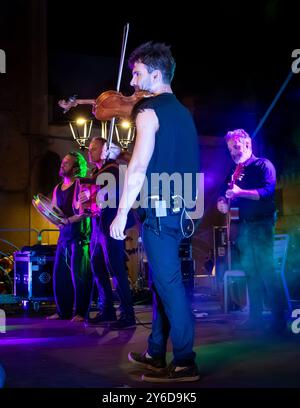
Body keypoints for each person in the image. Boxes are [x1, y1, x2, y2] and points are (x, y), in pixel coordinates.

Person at [110, 42, 200, 382]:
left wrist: (120, 214)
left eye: (137, 73)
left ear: (156, 73)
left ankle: (186, 361)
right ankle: (154, 352)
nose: (132, 81)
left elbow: (138, 169)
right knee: (162, 282)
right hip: (180, 212)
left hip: (160, 212)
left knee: (170, 284)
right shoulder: (182, 113)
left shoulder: (147, 113)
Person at [217, 129, 287, 333]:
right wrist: (223, 203)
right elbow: (224, 195)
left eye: (236, 147)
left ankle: (279, 321)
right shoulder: (235, 172)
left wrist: (241, 192)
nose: (233, 153)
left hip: (262, 225)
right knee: (251, 273)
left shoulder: (263, 165)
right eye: (230, 150)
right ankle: (255, 318)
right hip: (245, 227)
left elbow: (267, 192)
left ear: (247, 144)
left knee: (266, 271)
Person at [82, 137, 136, 329]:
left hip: (111, 223)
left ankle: (128, 314)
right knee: (97, 266)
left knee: (116, 268)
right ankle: (108, 310)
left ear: (104, 150)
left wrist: (89, 188)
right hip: (98, 224)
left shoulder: (113, 168)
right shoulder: (97, 171)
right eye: (89, 149)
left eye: (94, 148)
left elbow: (111, 188)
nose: (90, 152)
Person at [47, 152, 92, 322]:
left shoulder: (81, 185)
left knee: (80, 277)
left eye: (66, 163)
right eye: (63, 162)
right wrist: (52, 217)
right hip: (64, 237)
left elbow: (85, 212)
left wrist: (67, 220)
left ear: (75, 168)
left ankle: (81, 312)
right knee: (61, 276)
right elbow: (54, 211)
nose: (62, 165)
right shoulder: (57, 188)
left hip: (79, 236)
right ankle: (62, 312)